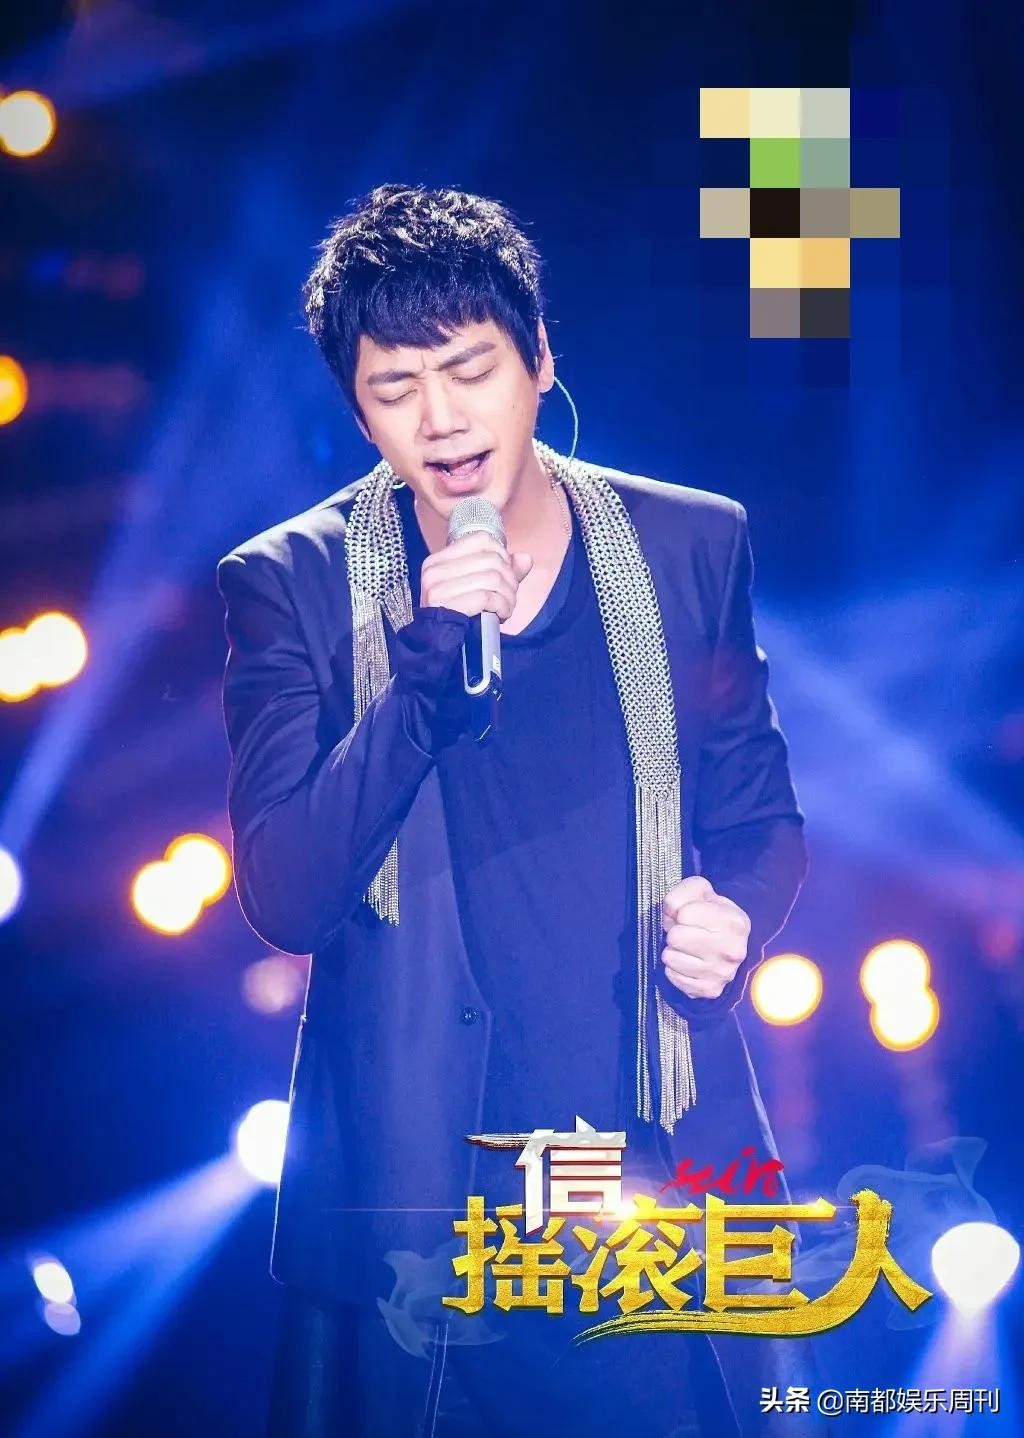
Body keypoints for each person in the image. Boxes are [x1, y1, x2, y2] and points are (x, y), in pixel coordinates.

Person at [217, 183, 810, 1438]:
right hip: (420, 1202)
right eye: (394, 388)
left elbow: (760, 818)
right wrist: (423, 675)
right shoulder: (293, 584)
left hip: (653, 1171)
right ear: (358, 411)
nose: (439, 419)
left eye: (469, 369)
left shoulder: (689, 545)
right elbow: (286, 894)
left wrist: (738, 920)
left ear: (538, 358)